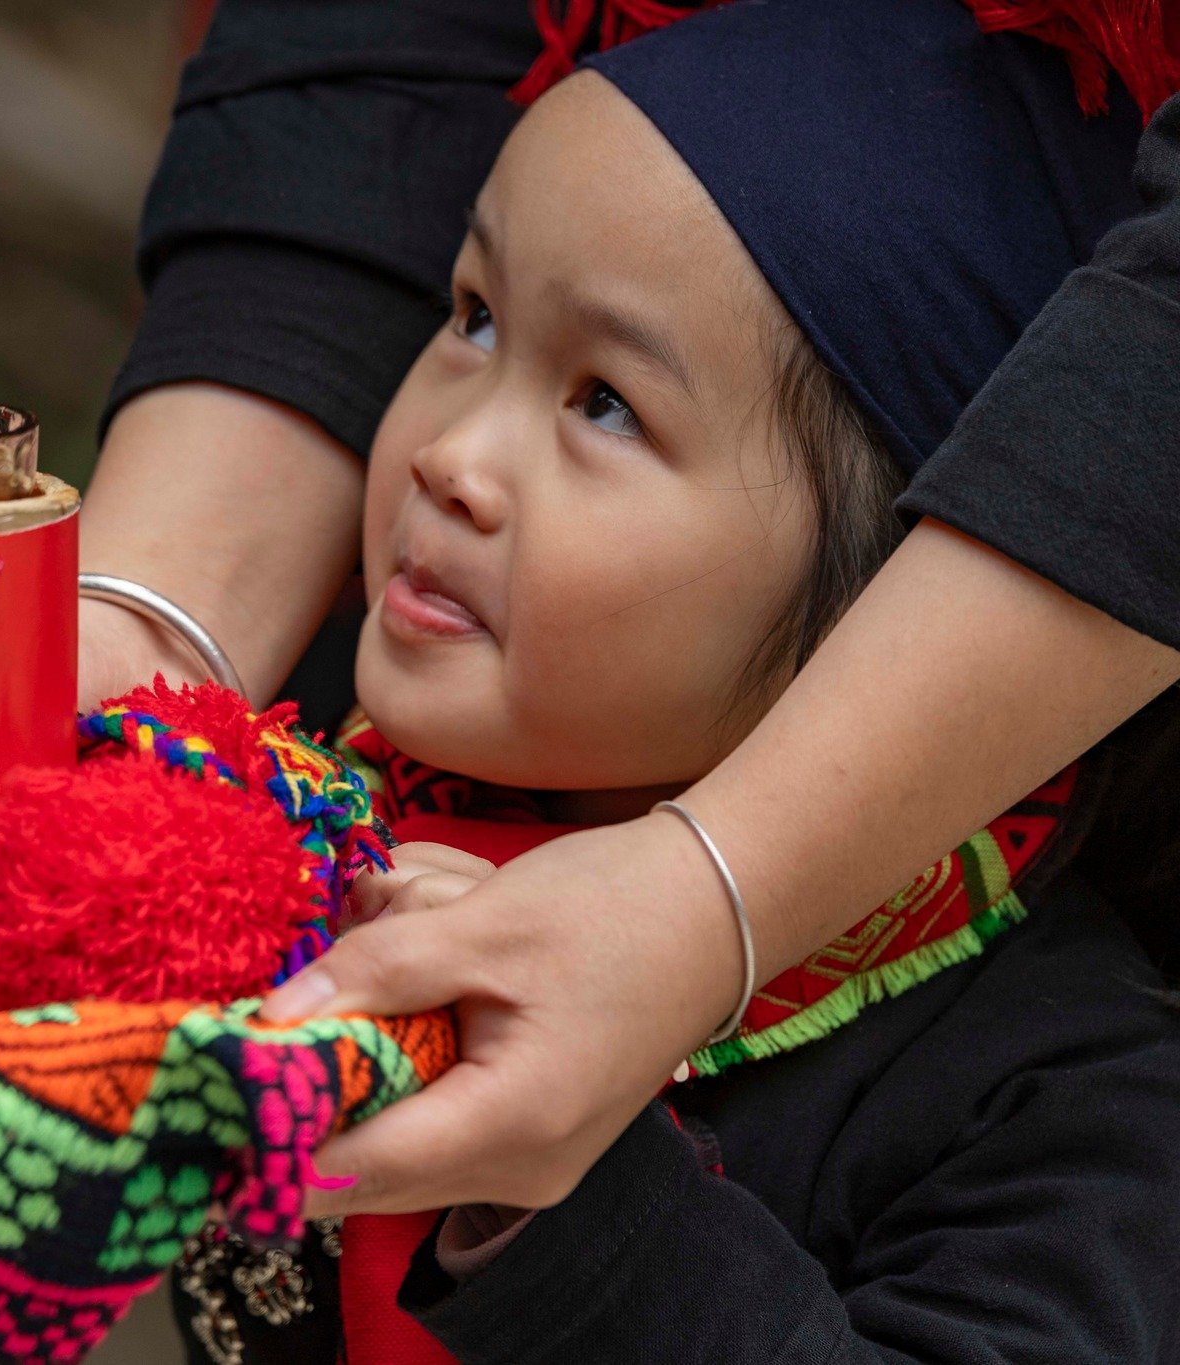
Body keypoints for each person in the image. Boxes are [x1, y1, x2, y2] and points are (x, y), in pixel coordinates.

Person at [162, 3, 1180, 1358]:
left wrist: (567, 1201)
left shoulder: (1070, 1098)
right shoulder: (299, 812)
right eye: (471, 315)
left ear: (892, 590)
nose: (447, 455)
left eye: (604, 405)